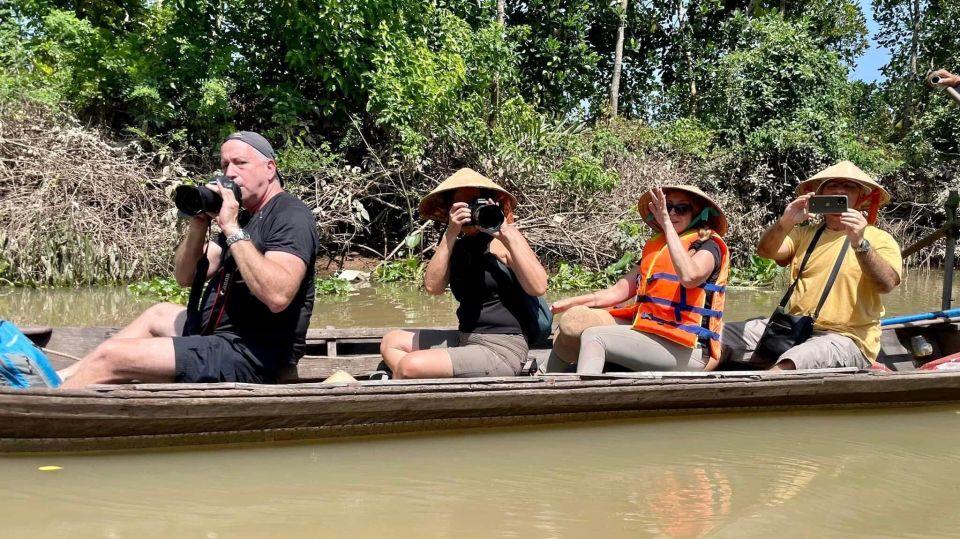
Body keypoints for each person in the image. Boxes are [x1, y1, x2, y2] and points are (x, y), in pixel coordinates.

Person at [60, 131, 318, 387]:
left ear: (269, 168)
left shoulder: (290, 216)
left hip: (253, 357)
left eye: (240, 163)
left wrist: (230, 227)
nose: (229, 173)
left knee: (112, 356)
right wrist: (199, 224)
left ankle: (50, 413)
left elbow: (278, 296)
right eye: (224, 165)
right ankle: (61, 378)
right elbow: (185, 276)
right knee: (159, 314)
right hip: (220, 338)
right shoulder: (246, 218)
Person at [721, 161, 902, 370]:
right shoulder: (804, 233)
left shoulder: (879, 239)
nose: (840, 190)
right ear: (820, 194)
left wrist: (860, 244)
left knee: (790, 362)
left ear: (860, 198)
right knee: (715, 335)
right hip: (794, 327)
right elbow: (766, 251)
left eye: (849, 186)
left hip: (846, 338)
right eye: (832, 185)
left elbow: (886, 285)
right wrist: (786, 221)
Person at [379, 168, 548, 379]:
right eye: (462, 205)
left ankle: (403, 380)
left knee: (409, 365)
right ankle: (407, 378)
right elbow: (433, 288)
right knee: (391, 341)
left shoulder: (503, 242)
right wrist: (451, 233)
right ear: (451, 210)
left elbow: (539, 286)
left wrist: (505, 233)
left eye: (475, 202)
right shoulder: (456, 246)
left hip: (501, 348)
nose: (470, 211)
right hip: (466, 338)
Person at [549, 185, 730, 373]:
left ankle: (582, 397)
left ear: (699, 213)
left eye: (682, 208)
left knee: (595, 337)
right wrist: (568, 303)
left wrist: (667, 224)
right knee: (575, 320)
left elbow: (690, 277)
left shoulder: (709, 246)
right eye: (667, 207)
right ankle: (544, 380)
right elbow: (617, 292)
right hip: (650, 330)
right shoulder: (658, 247)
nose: (672, 213)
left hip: (688, 348)